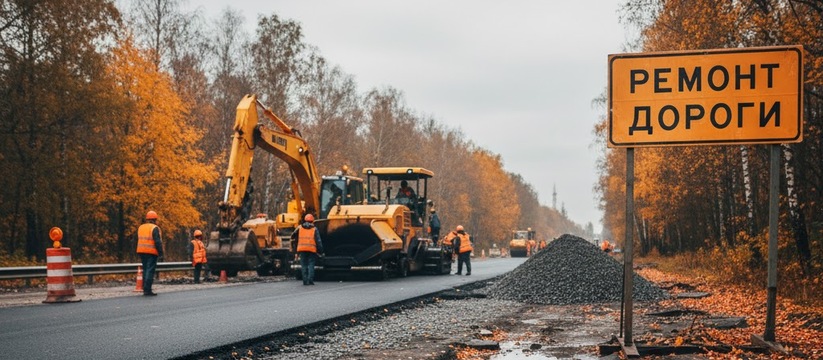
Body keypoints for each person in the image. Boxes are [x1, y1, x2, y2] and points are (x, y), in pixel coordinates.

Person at [136, 210, 164, 296]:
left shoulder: (141, 227)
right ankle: (147, 290)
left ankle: (145, 288)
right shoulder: (154, 228)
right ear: (155, 219)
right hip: (151, 252)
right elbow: (157, 241)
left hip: (141, 251)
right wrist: (161, 253)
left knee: (145, 269)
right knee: (150, 270)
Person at [291, 214, 324, 285]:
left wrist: (295, 250)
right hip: (311, 249)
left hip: (302, 249)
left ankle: (305, 280)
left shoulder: (299, 228)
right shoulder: (314, 229)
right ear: (312, 221)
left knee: (304, 265)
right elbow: (318, 241)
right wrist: (321, 251)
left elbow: (293, 237)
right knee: (311, 265)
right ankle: (310, 280)